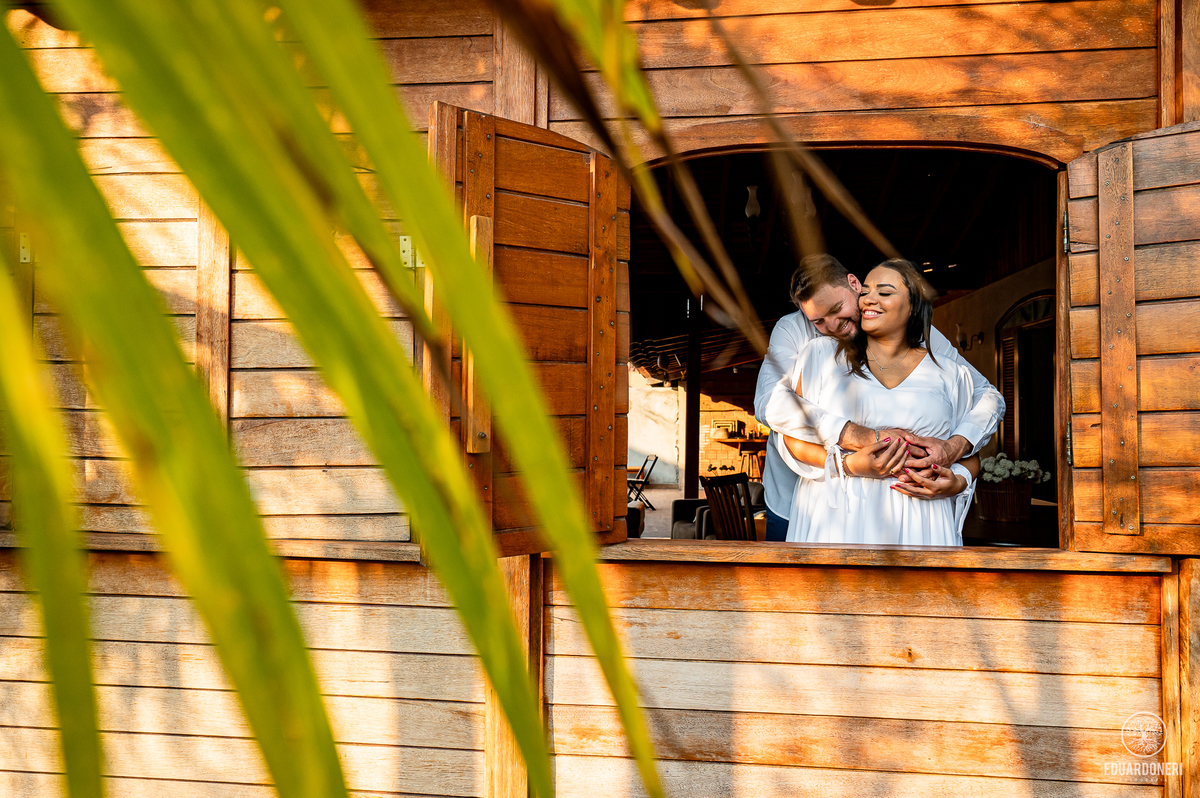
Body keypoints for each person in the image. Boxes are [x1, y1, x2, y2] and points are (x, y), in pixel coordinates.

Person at [753, 255, 1004, 542]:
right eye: (819, 321)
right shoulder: (803, 339)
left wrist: (953, 449)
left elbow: (985, 396)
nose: (833, 326)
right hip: (809, 498)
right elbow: (771, 404)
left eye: (837, 309)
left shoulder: (926, 342)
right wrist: (860, 438)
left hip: (918, 517)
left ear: (854, 285)